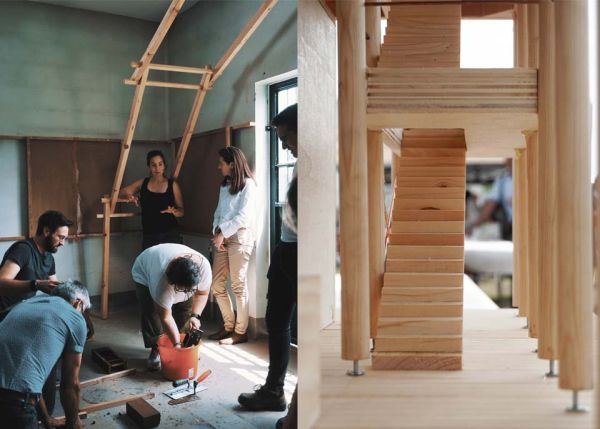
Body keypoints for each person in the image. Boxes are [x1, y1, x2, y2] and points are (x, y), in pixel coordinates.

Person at [238, 103, 297, 413]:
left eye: (286, 137)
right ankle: (274, 392)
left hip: (305, 253)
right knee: (276, 321)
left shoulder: (321, 162)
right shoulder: (299, 164)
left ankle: (303, 409)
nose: (283, 145)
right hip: (285, 250)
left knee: (312, 330)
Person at [0, 210, 74, 417]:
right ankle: (38, 408)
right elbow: (2, 282)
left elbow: (54, 287)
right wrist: (35, 284)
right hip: (6, 314)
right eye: (60, 237)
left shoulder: (49, 257)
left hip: (26, 312)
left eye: (65, 239)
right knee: (43, 351)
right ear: (46, 231)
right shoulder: (23, 249)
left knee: (55, 340)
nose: (62, 243)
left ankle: (44, 408)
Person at [0, 280, 90, 429]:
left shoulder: (27, 303)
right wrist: (73, 422)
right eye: (84, 310)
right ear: (78, 304)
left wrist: (46, 419)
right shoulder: (75, 317)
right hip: (14, 403)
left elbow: (33, 372)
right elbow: (70, 385)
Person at [132, 243, 212, 370]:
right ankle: (156, 348)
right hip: (144, 270)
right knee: (152, 313)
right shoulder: (161, 283)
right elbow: (165, 317)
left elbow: (202, 293)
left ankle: (185, 346)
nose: (186, 293)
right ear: (172, 282)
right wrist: (176, 343)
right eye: (182, 289)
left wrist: (195, 316)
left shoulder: (204, 268)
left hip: (170, 263)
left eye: (189, 290)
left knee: (186, 310)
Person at [208, 146, 257, 346]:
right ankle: (228, 326)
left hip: (240, 237)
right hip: (222, 237)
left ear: (231, 164)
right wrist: (216, 232)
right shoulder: (224, 186)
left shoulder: (248, 185)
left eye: (221, 163)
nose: (219, 166)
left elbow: (243, 217)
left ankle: (240, 332)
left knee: (238, 285)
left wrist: (222, 233)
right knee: (217, 285)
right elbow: (218, 212)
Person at [119, 150, 185, 249]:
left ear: (164, 166)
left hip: (170, 234)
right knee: (149, 264)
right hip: (149, 236)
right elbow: (120, 192)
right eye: (153, 165)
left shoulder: (173, 185)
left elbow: (182, 211)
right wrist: (129, 196)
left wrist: (174, 211)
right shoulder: (143, 183)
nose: (157, 168)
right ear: (149, 167)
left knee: (170, 264)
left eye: (160, 164)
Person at [468, 159, 513, 240]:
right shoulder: (502, 181)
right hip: (513, 226)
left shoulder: (502, 181)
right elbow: (489, 205)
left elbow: (489, 206)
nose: (506, 163)